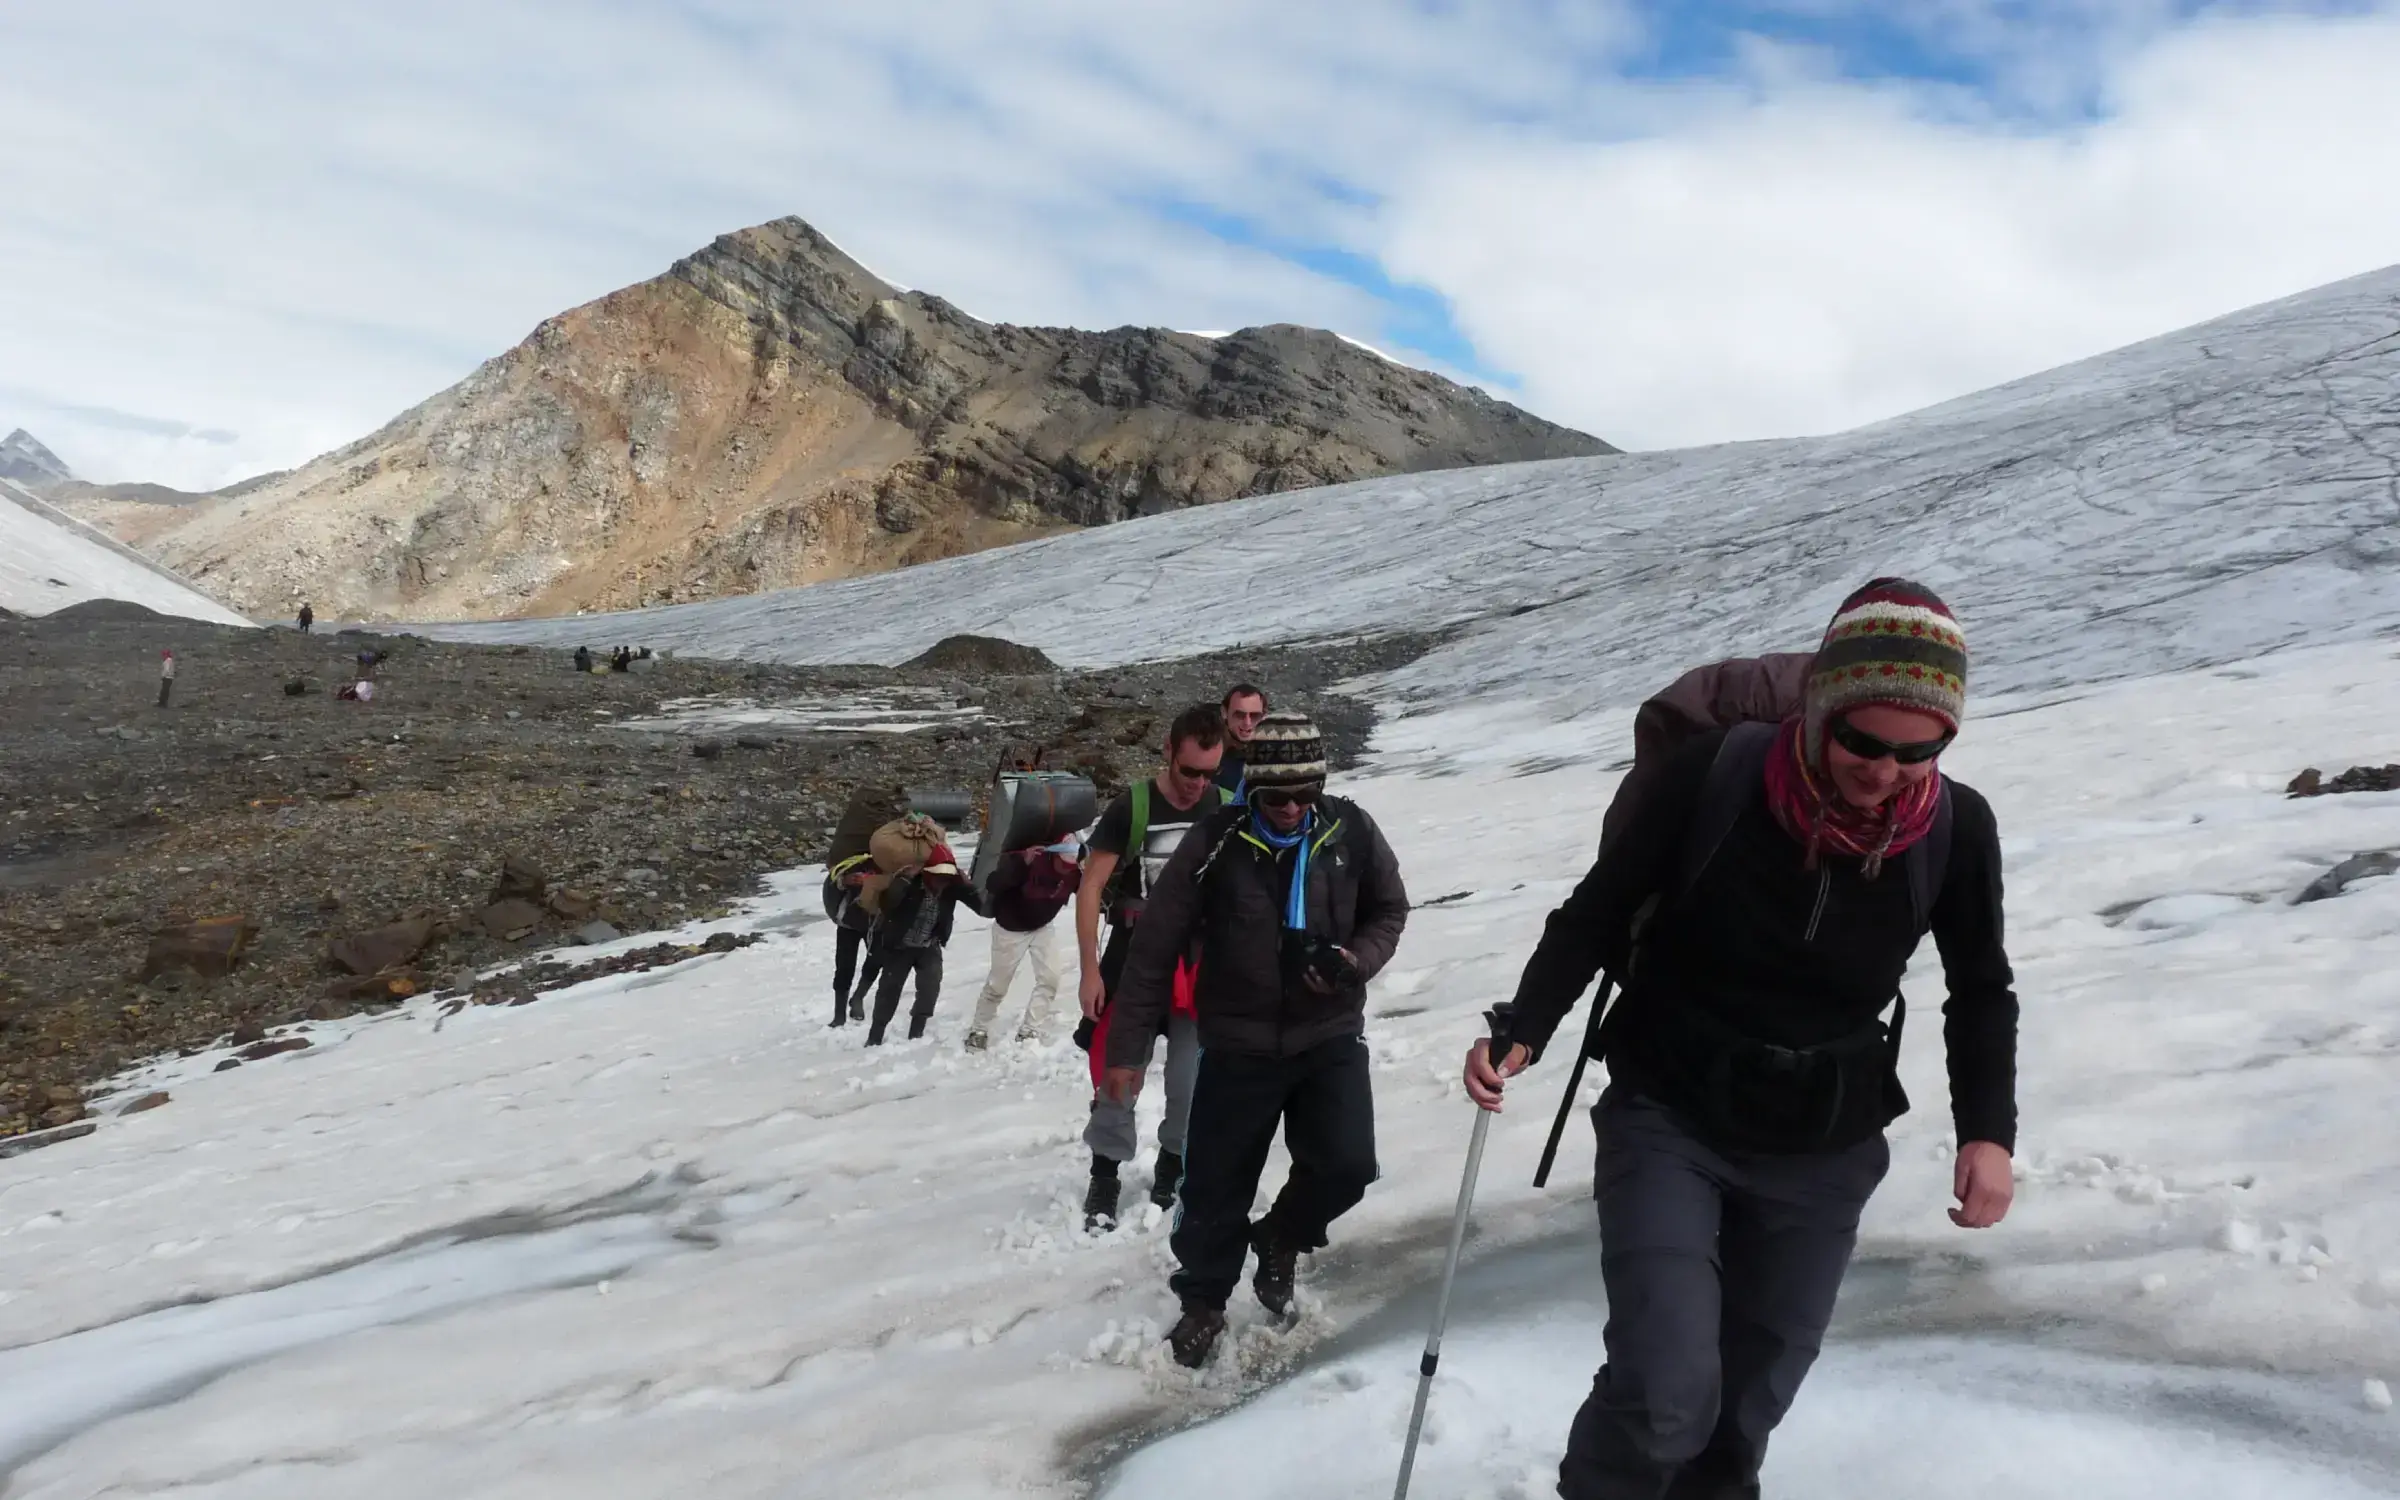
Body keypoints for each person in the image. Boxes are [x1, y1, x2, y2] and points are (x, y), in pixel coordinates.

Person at [1465, 579, 2018, 1500]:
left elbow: (1981, 988)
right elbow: (1598, 911)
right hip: (1671, 1112)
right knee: (1667, 1395)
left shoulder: (1957, 831)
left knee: (1742, 1414)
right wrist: (1526, 1028)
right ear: (1822, 706)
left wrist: (1987, 1132)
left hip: (1825, 1139)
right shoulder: (1718, 776)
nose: (1883, 770)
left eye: (1918, 752)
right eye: (1860, 740)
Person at [1104, 712, 1409, 1367]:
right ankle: (1203, 1305)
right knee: (1215, 1186)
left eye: (1306, 793)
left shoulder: (1348, 828)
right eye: (1277, 797)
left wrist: (1354, 960)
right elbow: (1153, 950)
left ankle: (1281, 1237)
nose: (1294, 808)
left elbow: (1389, 910)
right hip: (1239, 1043)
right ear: (1255, 791)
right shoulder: (1217, 841)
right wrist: (1127, 1054)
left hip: (1328, 1034)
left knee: (1349, 1166)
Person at [1075, 703, 1231, 1231]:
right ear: (1168, 751)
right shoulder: (1133, 805)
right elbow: (1091, 886)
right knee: (1117, 1077)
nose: (1198, 785)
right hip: (1133, 967)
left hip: (1198, 972)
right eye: (1190, 772)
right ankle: (1105, 1173)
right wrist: (1089, 971)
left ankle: (1172, 1167)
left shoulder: (1227, 807)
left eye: (1209, 773)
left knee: (1192, 1083)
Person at [863, 846, 986, 1046]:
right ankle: (875, 1035)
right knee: (889, 989)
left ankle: (916, 1033)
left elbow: (981, 908)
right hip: (900, 946)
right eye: (938, 877)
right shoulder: (910, 884)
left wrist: (969, 885)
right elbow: (888, 904)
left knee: (930, 987)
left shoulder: (951, 887)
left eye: (946, 878)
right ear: (927, 873)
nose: (941, 882)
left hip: (929, 944)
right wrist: (903, 880)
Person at [965, 839, 1081, 1050]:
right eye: (1064, 863)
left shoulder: (1075, 872)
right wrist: (1021, 864)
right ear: (1054, 855)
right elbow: (993, 884)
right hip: (1010, 929)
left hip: (1042, 928)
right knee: (997, 985)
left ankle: (1029, 1030)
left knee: (1050, 979)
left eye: (1071, 865)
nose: (1066, 868)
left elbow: (1092, 892)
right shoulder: (1029, 862)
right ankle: (978, 1029)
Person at [824, 853, 880, 1027]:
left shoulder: (887, 858)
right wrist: (845, 881)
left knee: (875, 961)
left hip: (873, 923)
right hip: (848, 923)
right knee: (844, 967)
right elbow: (832, 883)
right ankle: (838, 1015)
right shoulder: (850, 861)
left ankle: (858, 998)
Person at [1215, 683, 1269, 798]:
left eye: (1254, 716)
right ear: (1224, 712)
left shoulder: (1268, 760)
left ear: (1264, 716)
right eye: (1239, 715)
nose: (1247, 723)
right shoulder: (1205, 744)